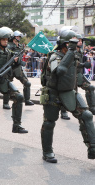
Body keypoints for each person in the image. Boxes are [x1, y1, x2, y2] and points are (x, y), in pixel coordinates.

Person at [40, 29, 95, 163]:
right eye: (75, 43)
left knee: (86, 115)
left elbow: (74, 72)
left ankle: (92, 148)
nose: (79, 45)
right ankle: (47, 152)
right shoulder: (54, 56)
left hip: (69, 92)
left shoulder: (75, 55)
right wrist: (70, 52)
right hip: (53, 94)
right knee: (49, 123)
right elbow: (59, 71)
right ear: (66, 44)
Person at [3, 30, 34, 110]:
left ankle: (27, 100)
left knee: (27, 83)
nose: (18, 38)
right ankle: (5, 103)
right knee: (7, 86)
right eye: (17, 36)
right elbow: (6, 56)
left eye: (19, 37)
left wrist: (21, 61)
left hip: (18, 68)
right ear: (13, 37)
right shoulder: (9, 46)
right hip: (10, 68)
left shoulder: (20, 46)